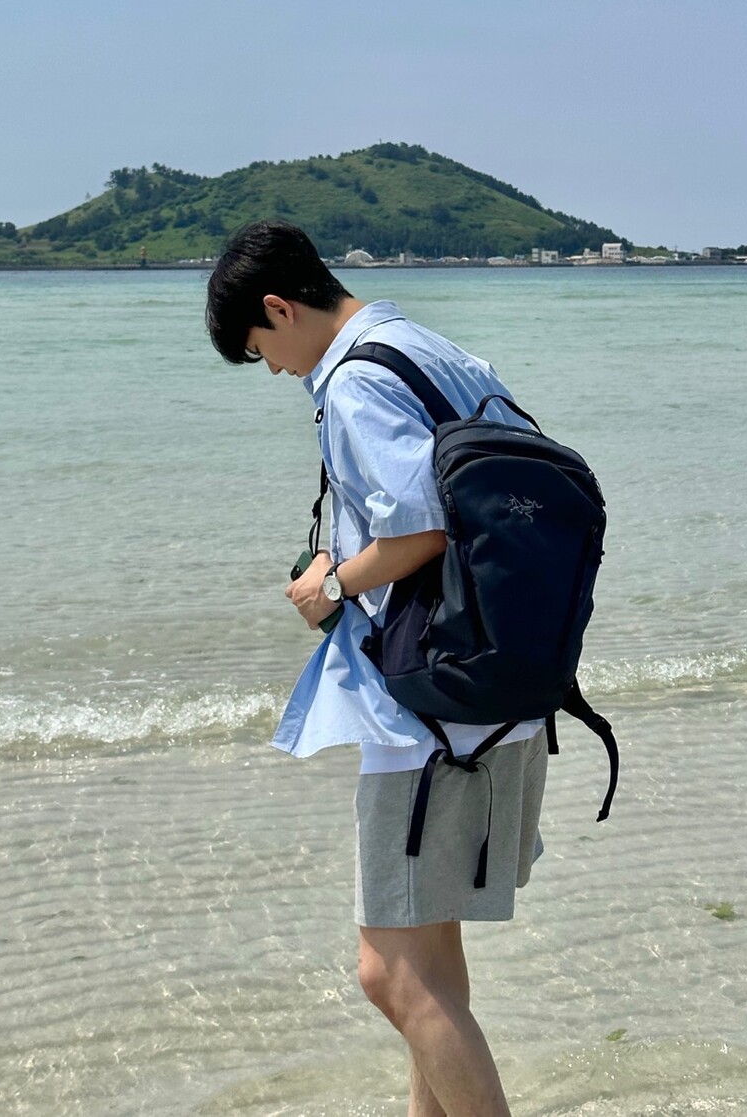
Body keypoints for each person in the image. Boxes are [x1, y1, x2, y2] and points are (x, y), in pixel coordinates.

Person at [206, 222, 548, 1117]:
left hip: (432, 711)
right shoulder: (434, 350)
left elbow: (420, 531)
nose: (275, 370)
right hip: (503, 684)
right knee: (429, 965)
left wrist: (331, 583)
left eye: (261, 349)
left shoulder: (357, 379)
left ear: (280, 307)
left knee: (388, 972)